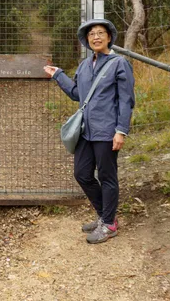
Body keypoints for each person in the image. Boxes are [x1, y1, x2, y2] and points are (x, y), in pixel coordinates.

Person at [43, 19, 135, 244]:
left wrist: (121, 130)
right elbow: (77, 94)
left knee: (107, 176)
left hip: (106, 130)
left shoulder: (119, 64)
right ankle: (106, 215)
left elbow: (126, 100)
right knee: (82, 174)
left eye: (100, 33)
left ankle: (109, 223)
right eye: (92, 34)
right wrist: (58, 75)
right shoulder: (85, 65)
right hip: (86, 131)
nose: (96, 37)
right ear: (86, 40)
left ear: (109, 37)